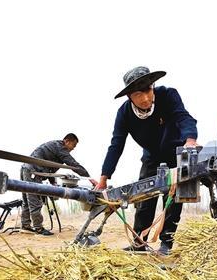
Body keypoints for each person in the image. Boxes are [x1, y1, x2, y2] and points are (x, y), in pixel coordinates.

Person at [96, 66, 200, 255]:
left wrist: (190, 140)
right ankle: (139, 243)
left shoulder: (167, 95)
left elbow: (183, 117)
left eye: (148, 90)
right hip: (151, 157)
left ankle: (166, 243)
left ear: (153, 87)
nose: (145, 98)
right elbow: (116, 145)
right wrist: (104, 178)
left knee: (173, 199)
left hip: (176, 153)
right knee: (144, 199)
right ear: (129, 97)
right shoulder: (124, 113)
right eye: (138, 94)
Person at [20, 133, 89, 236]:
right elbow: (73, 164)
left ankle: (25, 226)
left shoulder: (56, 147)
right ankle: (38, 228)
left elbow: (50, 168)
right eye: (73, 145)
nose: (73, 148)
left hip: (26, 169)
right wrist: (89, 178)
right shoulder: (60, 148)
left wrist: (53, 182)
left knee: (27, 199)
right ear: (67, 141)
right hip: (33, 171)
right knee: (35, 200)